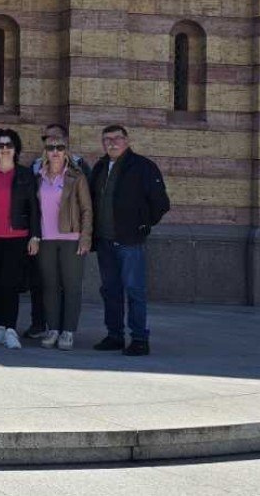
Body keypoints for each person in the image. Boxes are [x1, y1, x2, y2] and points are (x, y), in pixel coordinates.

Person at [89, 125, 169, 356]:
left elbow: (160, 203)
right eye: (107, 139)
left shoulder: (143, 167)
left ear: (127, 140)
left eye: (117, 138)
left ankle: (139, 338)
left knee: (135, 291)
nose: (112, 143)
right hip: (104, 241)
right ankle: (114, 335)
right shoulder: (101, 166)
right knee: (110, 290)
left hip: (130, 241)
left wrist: (143, 225)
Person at [0, 129, 40, 350]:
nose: (5, 149)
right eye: (0, 145)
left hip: (16, 236)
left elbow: (34, 207)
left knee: (10, 284)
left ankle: (11, 328)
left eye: (9, 145)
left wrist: (35, 235)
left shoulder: (25, 174)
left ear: (16, 149)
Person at [36, 132, 93, 351]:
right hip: (46, 238)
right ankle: (53, 329)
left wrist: (85, 237)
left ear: (66, 151)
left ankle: (68, 331)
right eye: (51, 148)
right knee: (49, 286)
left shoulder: (76, 177)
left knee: (71, 287)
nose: (56, 152)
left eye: (60, 147)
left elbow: (87, 209)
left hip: (71, 238)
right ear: (45, 152)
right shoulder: (39, 177)